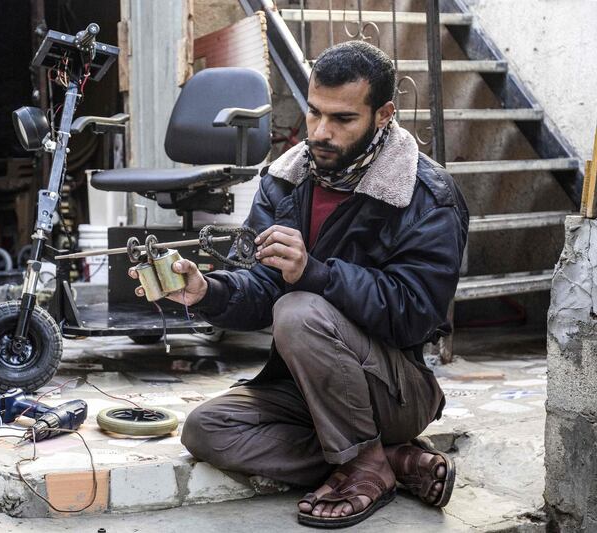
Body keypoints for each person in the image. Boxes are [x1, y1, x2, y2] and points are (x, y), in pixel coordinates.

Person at [129, 40, 468, 529]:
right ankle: (383, 461)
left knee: (300, 310)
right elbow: (261, 288)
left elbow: (417, 312)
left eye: (343, 119)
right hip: (308, 387)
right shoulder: (283, 181)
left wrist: (316, 274)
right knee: (207, 431)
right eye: (313, 114)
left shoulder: (426, 195)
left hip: (395, 390)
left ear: (383, 114)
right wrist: (209, 293)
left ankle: (363, 463)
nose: (321, 133)